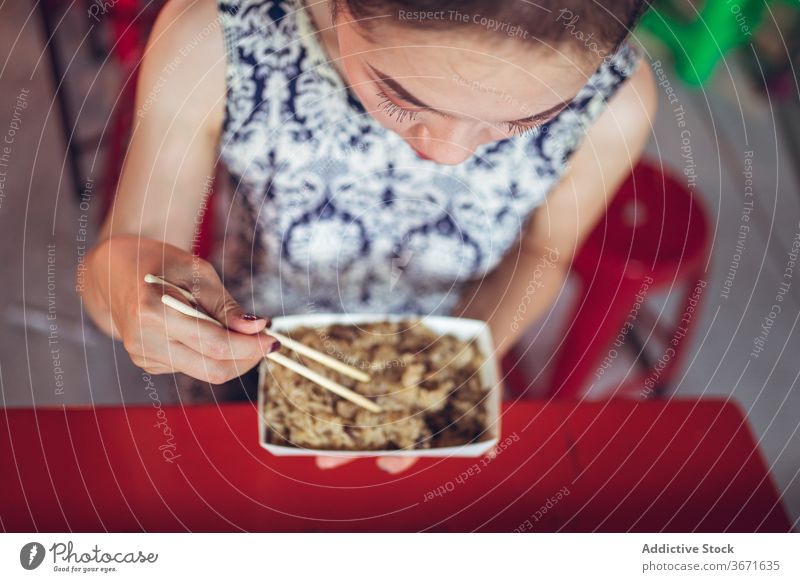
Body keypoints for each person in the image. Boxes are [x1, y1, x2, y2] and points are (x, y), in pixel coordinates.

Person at [80, 0, 657, 473]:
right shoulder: (218, 35)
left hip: (446, 345)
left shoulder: (615, 100)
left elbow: (543, 252)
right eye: (399, 96)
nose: (447, 154)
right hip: (252, 347)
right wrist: (132, 287)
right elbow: (132, 245)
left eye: (524, 121)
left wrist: (452, 366)